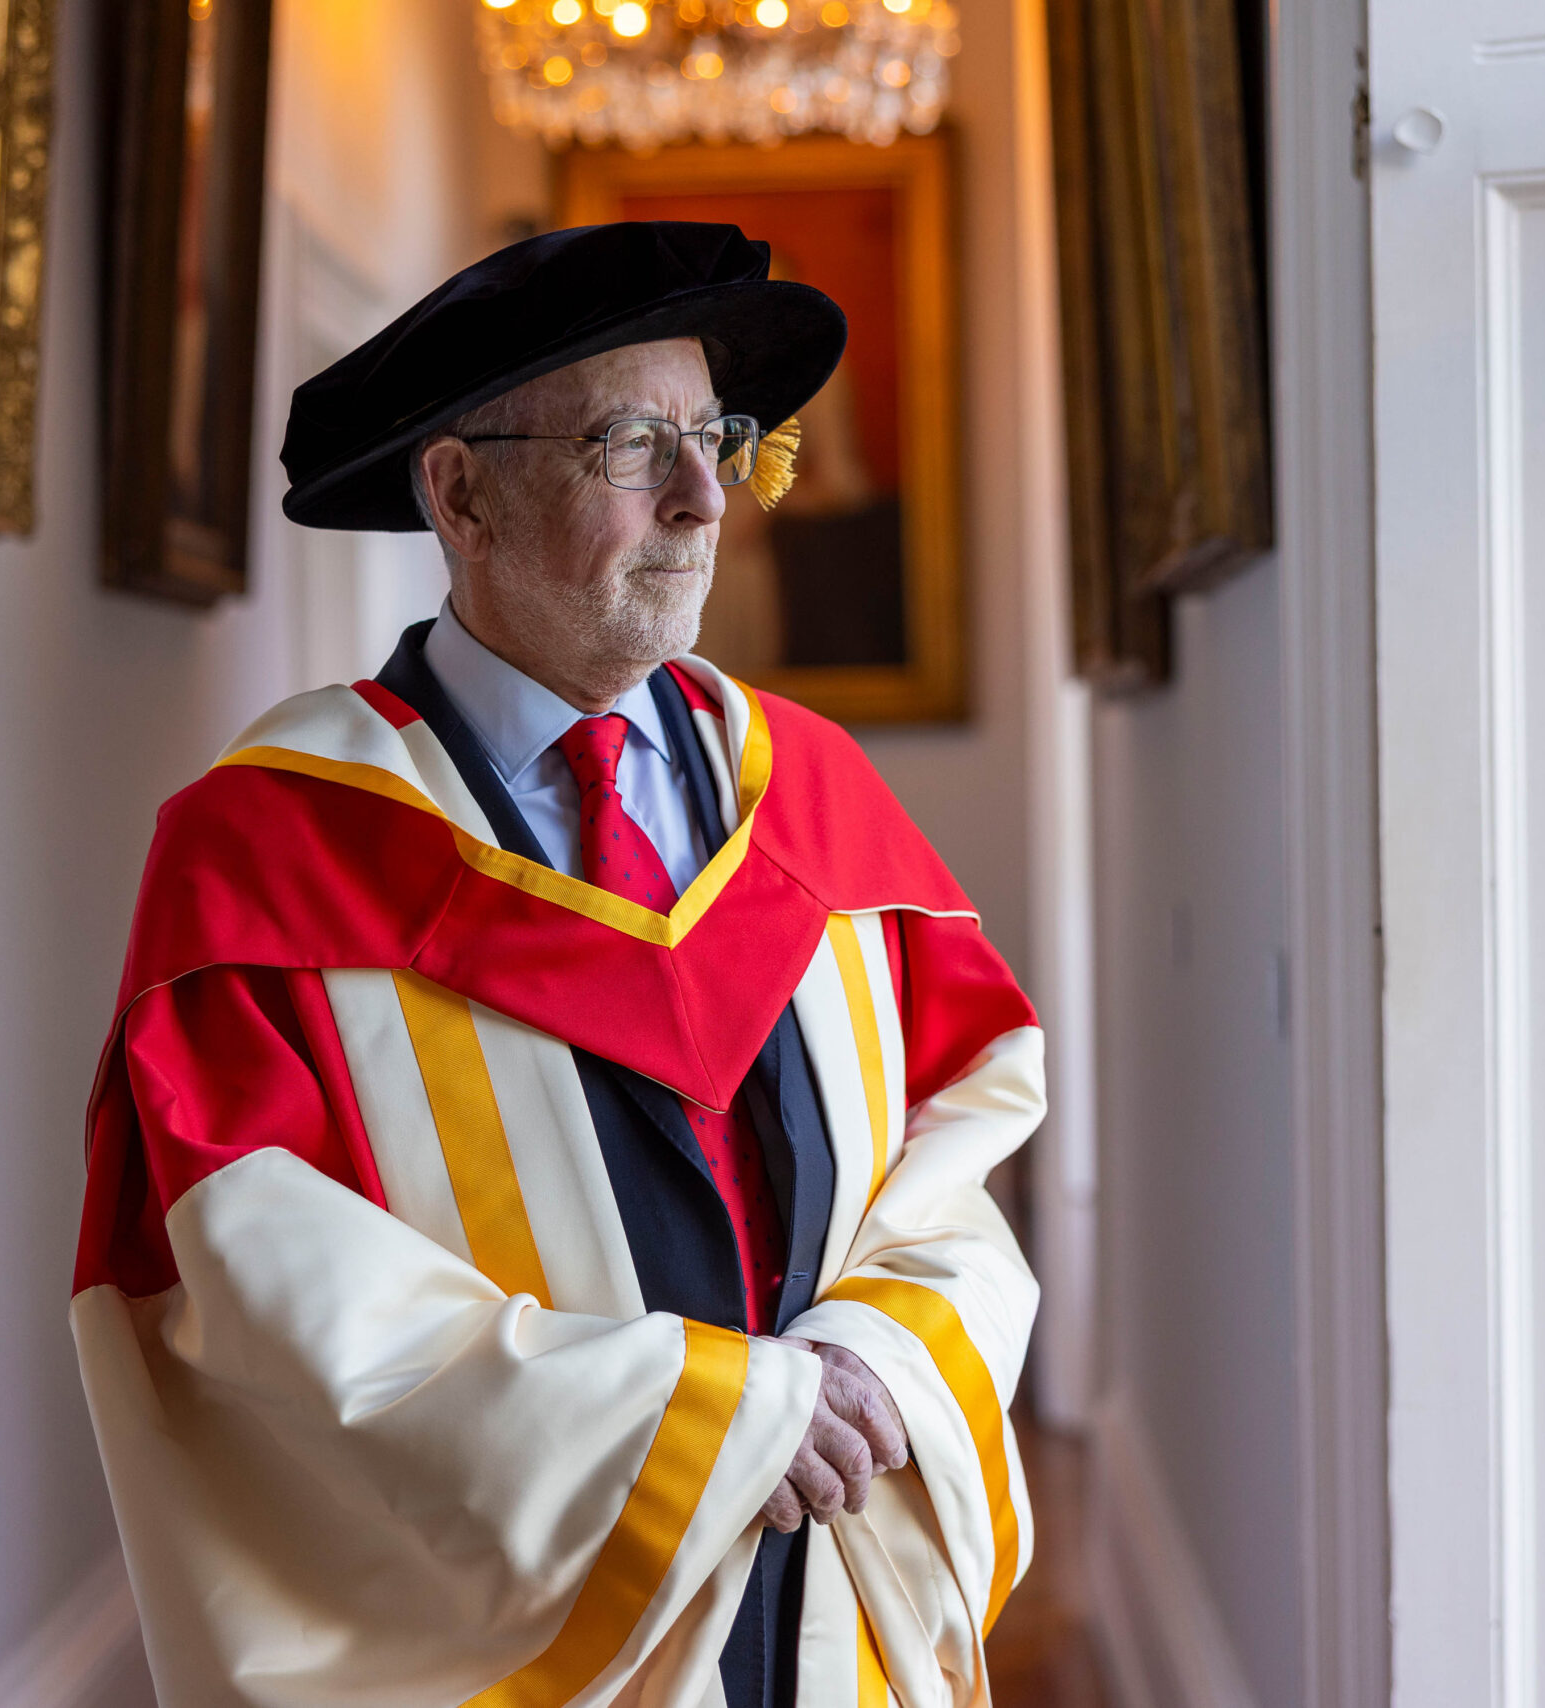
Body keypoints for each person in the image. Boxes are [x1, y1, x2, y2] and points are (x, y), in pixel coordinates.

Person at [72, 221, 1043, 1708]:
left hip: (832, 1586)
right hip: (521, 1638)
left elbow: (959, 1144)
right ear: (462, 494)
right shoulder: (266, 853)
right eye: (628, 446)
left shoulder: (818, 797)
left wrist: (871, 1357)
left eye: (716, 437)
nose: (703, 497)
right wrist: (709, 1429)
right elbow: (268, 1305)